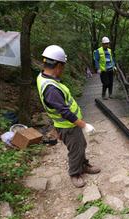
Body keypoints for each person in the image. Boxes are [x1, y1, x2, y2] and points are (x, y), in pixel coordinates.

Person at [37, 45, 101, 188]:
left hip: (70, 125)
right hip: (67, 126)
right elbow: (64, 112)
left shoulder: (43, 76)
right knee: (75, 150)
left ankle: (83, 164)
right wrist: (84, 125)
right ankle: (74, 173)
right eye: (63, 66)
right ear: (58, 65)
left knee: (81, 145)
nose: (63, 69)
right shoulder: (51, 89)